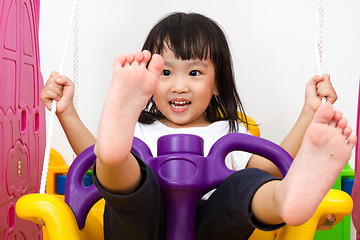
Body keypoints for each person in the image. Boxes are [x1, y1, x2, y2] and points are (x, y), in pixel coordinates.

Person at [40, 12, 356, 240]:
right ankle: (118, 157)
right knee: (122, 171)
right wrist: (66, 112)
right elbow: (93, 159)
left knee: (247, 184)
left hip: (211, 229)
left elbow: (270, 165)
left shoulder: (228, 133)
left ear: (217, 84)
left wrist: (308, 114)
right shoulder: (136, 131)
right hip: (139, 226)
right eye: (166, 73)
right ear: (148, 83)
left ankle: (285, 200)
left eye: (194, 73)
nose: (179, 86)